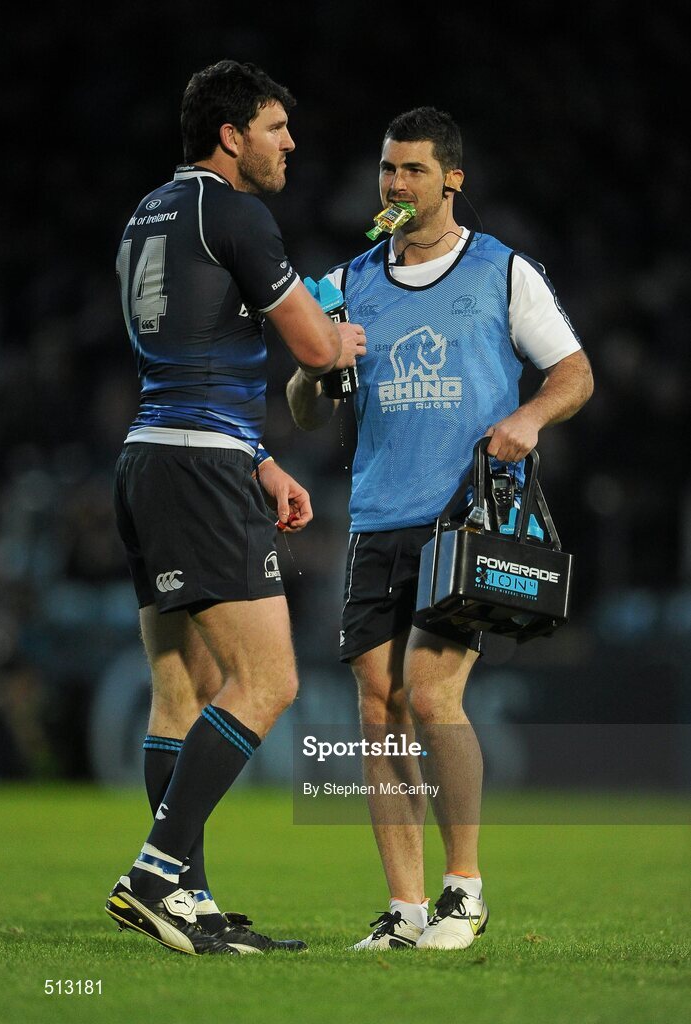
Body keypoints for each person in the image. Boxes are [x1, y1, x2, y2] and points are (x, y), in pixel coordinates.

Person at [287, 106, 593, 951]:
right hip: (377, 517)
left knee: (429, 695)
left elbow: (574, 371)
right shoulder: (347, 282)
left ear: (451, 179)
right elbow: (305, 411)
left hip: (466, 521)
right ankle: (406, 911)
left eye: (412, 170)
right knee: (376, 708)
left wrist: (529, 419)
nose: (394, 184)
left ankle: (464, 890)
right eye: (386, 169)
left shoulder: (499, 271)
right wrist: (321, 367)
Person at [106, 59, 361, 956]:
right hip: (198, 471)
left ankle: (189, 900)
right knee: (271, 683)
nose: (289, 143)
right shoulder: (236, 212)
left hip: (150, 459)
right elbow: (316, 350)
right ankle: (154, 873)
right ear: (230, 135)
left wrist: (261, 459)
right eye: (276, 127)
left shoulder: (146, 215)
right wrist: (341, 335)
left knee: (183, 689)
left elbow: (191, 352)